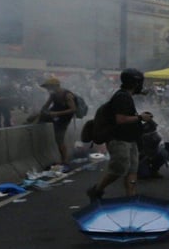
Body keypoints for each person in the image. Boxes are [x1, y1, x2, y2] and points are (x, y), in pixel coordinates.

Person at [86, 68, 151, 202]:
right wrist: (140, 118)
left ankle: (131, 198)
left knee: (132, 169)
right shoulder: (122, 97)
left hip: (130, 139)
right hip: (119, 139)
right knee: (119, 169)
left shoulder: (126, 96)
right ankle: (97, 190)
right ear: (135, 83)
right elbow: (120, 119)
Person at [36, 77, 76, 166]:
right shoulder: (53, 95)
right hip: (55, 116)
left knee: (59, 139)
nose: (48, 89)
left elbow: (73, 109)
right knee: (36, 116)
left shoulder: (67, 95)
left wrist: (57, 113)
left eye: (49, 87)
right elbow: (46, 106)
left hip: (64, 119)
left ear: (56, 86)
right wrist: (40, 113)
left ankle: (64, 160)